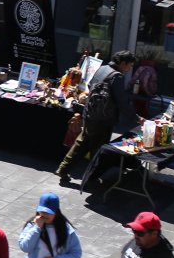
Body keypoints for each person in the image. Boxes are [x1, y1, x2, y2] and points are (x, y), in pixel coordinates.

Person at [55, 50, 138, 184]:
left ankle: (63, 169)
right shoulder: (117, 77)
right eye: (129, 66)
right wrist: (136, 118)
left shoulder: (103, 69)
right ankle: (92, 178)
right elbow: (121, 102)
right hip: (103, 119)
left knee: (81, 143)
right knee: (98, 149)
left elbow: (89, 87)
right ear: (122, 63)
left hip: (89, 113)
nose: (129, 70)